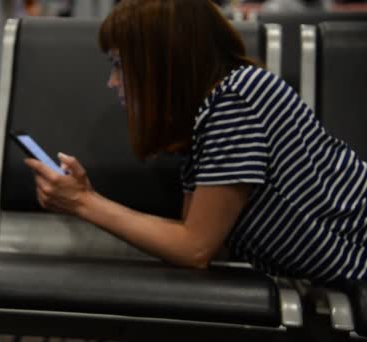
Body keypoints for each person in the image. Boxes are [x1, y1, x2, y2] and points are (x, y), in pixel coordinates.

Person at [24, 0, 367, 283]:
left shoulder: (238, 99)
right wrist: (86, 199)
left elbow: (195, 249)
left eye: (119, 65)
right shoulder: (209, 115)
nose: (112, 82)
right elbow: (190, 239)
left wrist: (84, 202)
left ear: (163, 63)